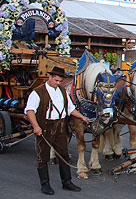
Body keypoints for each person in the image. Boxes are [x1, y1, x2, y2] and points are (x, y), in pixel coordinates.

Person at [25, 67, 89, 195]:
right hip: (45, 127)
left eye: (60, 81)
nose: (58, 83)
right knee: (43, 156)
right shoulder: (37, 92)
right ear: (50, 77)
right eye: (56, 80)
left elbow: (70, 109)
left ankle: (67, 182)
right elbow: (30, 110)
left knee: (64, 155)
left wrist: (82, 116)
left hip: (61, 126)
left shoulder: (62, 91)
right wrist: (36, 127)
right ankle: (45, 184)